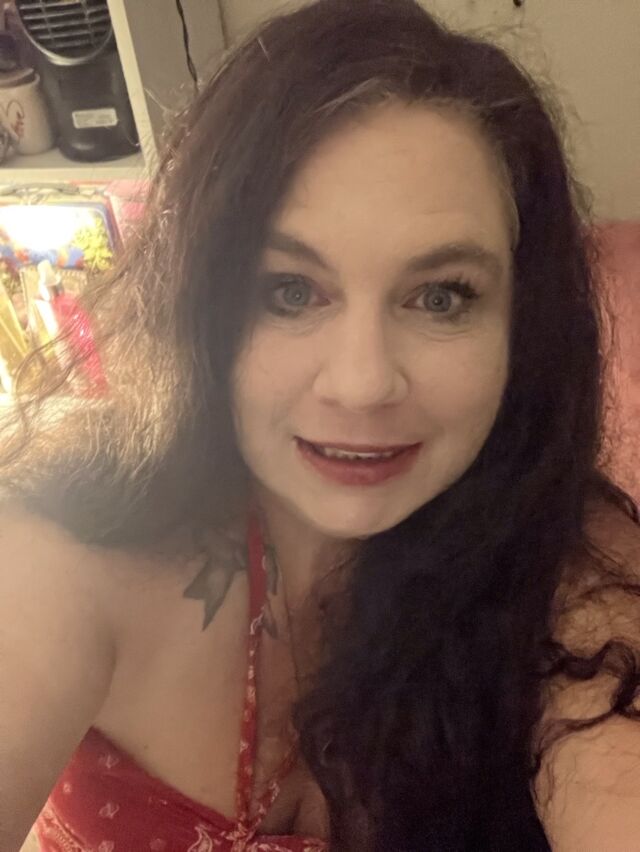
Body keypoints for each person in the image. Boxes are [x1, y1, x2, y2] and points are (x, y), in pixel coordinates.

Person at [1, 0, 639, 849]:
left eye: (440, 297)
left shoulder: (564, 560)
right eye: (291, 291)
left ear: (523, 326)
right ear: (202, 302)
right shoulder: (65, 550)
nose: (363, 383)